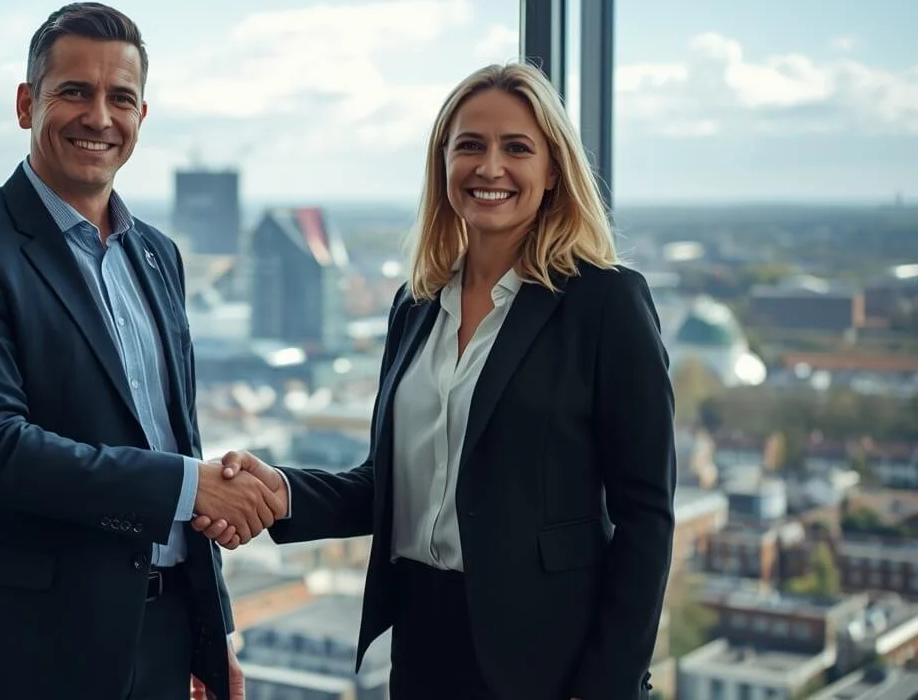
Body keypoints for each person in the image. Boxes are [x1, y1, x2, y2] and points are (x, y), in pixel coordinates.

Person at [194, 62, 676, 699]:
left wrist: (607, 685)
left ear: (554, 170)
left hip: (553, 657)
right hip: (423, 643)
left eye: (517, 148)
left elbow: (647, 517)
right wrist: (280, 493)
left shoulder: (604, 303)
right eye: (469, 145)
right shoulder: (416, 304)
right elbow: (391, 483)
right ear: (443, 163)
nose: (490, 167)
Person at [0, 1, 284, 700]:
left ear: (142, 116)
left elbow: (176, 435)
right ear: (27, 103)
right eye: (74, 91)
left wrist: (210, 630)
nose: (99, 118)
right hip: (22, 645)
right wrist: (185, 483)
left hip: (162, 639)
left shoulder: (159, 256)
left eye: (121, 98)